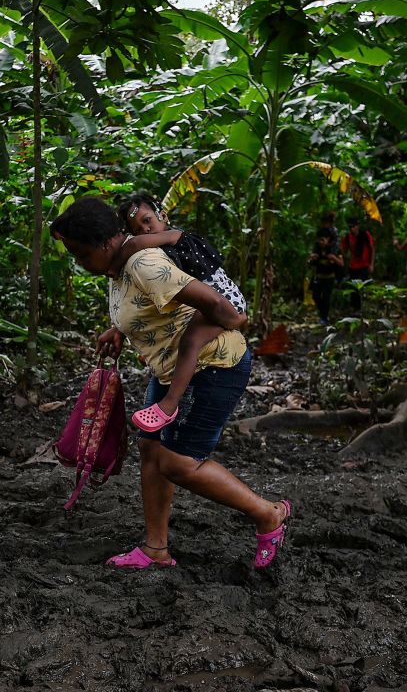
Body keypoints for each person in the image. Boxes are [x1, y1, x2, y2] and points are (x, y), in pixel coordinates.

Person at [51, 197, 291, 570]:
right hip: (170, 369)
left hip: (214, 365)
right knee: (151, 452)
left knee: (177, 463)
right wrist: (119, 330)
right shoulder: (118, 269)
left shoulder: (144, 263)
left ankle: (268, 514)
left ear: (104, 244)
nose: (80, 263)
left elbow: (221, 306)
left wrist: (206, 330)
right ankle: (155, 550)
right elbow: (149, 306)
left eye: (81, 254)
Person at [113, 193, 246, 432]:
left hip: (225, 300)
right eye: (138, 227)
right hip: (210, 301)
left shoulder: (175, 236)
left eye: (147, 220)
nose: (146, 230)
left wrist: (112, 267)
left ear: (162, 214)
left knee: (190, 342)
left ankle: (169, 404)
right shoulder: (158, 250)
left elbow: (133, 245)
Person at [309, 231, 344, 324]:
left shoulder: (335, 249)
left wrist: (334, 258)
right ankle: (322, 313)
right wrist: (312, 258)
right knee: (315, 296)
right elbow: (310, 262)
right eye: (320, 239)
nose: (321, 242)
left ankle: (324, 317)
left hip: (329, 277)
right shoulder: (317, 248)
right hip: (318, 276)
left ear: (328, 240)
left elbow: (341, 263)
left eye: (323, 239)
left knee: (326, 297)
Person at [341, 216, 375, 312]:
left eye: (354, 226)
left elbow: (372, 249)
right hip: (353, 266)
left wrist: (371, 264)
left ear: (358, 226)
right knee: (353, 288)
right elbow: (344, 250)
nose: (352, 229)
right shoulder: (348, 237)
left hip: (364, 266)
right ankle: (355, 308)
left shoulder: (365, 235)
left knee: (362, 287)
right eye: (350, 227)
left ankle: (361, 308)